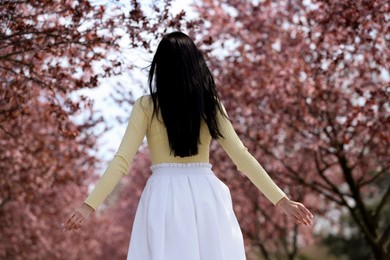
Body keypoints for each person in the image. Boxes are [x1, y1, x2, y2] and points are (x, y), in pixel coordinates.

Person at [62, 31, 313, 260]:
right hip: (207, 196)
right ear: (195, 64)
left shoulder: (147, 106)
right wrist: (282, 201)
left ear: (160, 66)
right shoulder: (210, 105)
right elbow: (241, 156)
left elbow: (122, 161)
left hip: (163, 197)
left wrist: (88, 206)